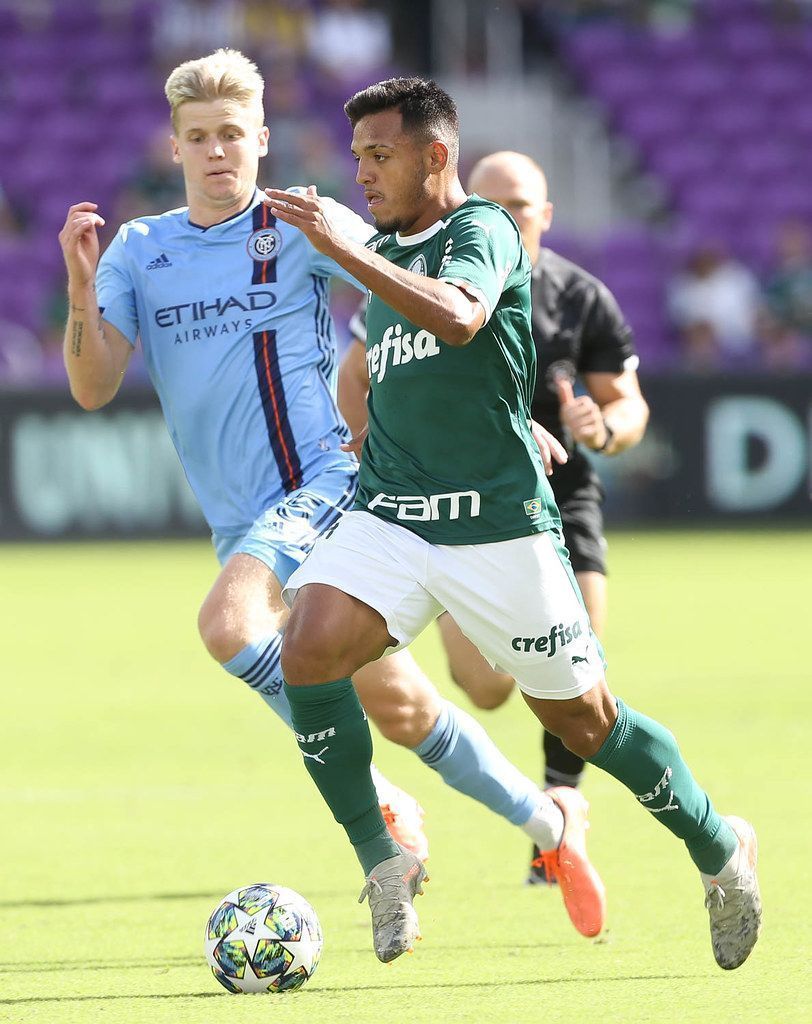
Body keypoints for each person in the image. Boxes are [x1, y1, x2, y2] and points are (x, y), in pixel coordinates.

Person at [58, 48, 604, 925]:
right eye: (198, 137)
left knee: (228, 627)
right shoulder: (138, 250)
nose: (216, 151)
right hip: (240, 518)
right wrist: (84, 293)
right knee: (402, 706)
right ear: (174, 148)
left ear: (262, 139)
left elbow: (420, 303)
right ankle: (550, 822)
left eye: (232, 133)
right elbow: (92, 385)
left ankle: (383, 811)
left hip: (320, 484)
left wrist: (506, 414)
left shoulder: (305, 226)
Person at [265, 76, 761, 969]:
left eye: (381, 155)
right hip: (393, 514)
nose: (365, 174)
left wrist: (347, 246)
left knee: (584, 723)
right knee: (307, 646)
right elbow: (376, 364)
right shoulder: (381, 245)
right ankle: (384, 862)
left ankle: (719, 849)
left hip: (497, 526)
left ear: (436, 155)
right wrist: (354, 425)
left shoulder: (480, 229)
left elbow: (458, 319)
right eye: (358, 159)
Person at [338, 149, 651, 884]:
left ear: (547, 215)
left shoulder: (580, 295)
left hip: (559, 496)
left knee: (582, 676)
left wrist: (604, 429)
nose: (507, 217)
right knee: (484, 686)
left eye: (522, 205)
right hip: (456, 498)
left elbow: (628, 404)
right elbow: (354, 376)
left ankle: (562, 814)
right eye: (493, 203)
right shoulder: (423, 279)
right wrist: (374, 451)